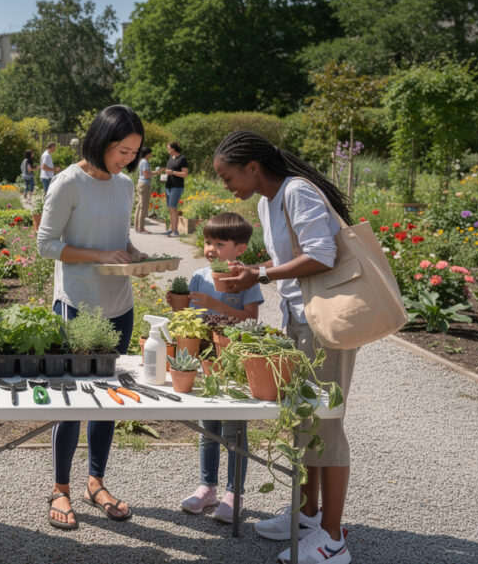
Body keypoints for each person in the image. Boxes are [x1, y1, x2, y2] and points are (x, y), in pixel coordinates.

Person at [215, 130, 358, 564]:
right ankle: (307, 515)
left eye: (227, 176)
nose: (225, 186)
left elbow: (323, 255)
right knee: (303, 420)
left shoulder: (297, 192)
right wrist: (257, 268)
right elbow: (291, 263)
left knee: (326, 424)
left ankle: (333, 542)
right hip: (300, 318)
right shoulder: (266, 201)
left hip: (326, 322)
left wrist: (260, 277)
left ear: (252, 168)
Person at [37, 105, 147, 530]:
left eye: (134, 153)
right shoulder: (68, 183)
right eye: (123, 151)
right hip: (78, 305)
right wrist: (100, 255)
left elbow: (119, 236)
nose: (129, 160)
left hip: (119, 304)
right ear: (101, 142)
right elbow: (46, 245)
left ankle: (95, 482)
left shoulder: (125, 185)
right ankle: (60, 489)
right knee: (74, 400)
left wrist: (134, 253)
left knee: (108, 399)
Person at [168, 212, 263, 523]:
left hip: (236, 363)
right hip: (207, 360)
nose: (210, 248)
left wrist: (216, 305)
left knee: (234, 428)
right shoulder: (198, 276)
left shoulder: (245, 279)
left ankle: (234, 493)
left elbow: (251, 319)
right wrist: (178, 307)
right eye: (208, 241)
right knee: (208, 427)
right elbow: (193, 322)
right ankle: (207, 487)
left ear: (240, 249)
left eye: (219, 243)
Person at [164, 141, 189, 236]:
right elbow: (169, 171)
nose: (167, 150)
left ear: (173, 149)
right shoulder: (170, 158)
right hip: (168, 186)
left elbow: (185, 174)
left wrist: (173, 172)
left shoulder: (182, 159)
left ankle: (175, 231)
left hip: (177, 186)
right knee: (170, 208)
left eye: (168, 148)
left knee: (173, 208)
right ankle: (172, 228)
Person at [133, 147, 158, 233]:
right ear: (147, 154)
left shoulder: (141, 161)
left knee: (139, 206)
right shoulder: (145, 162)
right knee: (143, 206)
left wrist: (152, 172)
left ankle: (137, 227)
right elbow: (146, 175)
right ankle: (141, 228)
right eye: (150, 153)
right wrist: (156, 173)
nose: (151, 155)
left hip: (140, 184)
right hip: (144, 185)